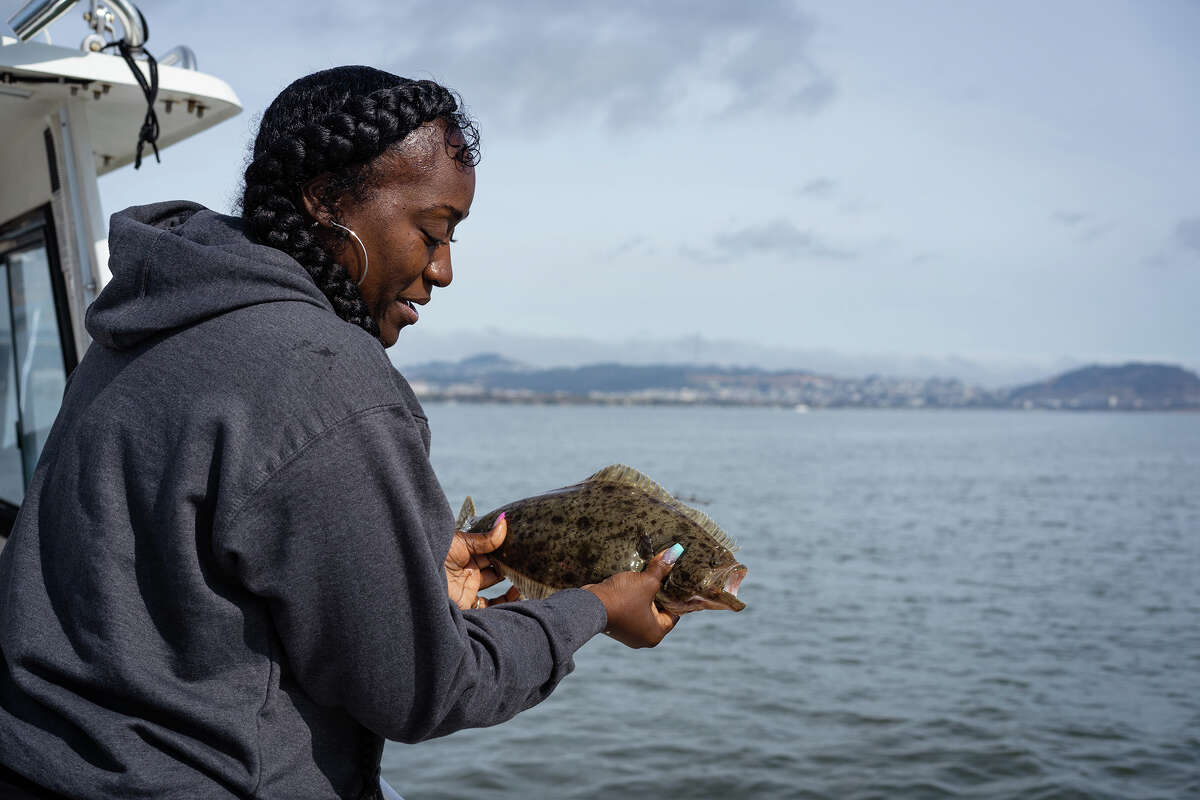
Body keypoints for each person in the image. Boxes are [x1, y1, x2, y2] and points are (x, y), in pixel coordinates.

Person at [0, 66, 680, 799]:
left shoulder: (145, 323)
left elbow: (183, 579)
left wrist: (401, 567)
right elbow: (426, 687)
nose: (444, 270)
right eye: (432, 232)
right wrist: (594, 609)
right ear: (325, 199)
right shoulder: (322, 372)